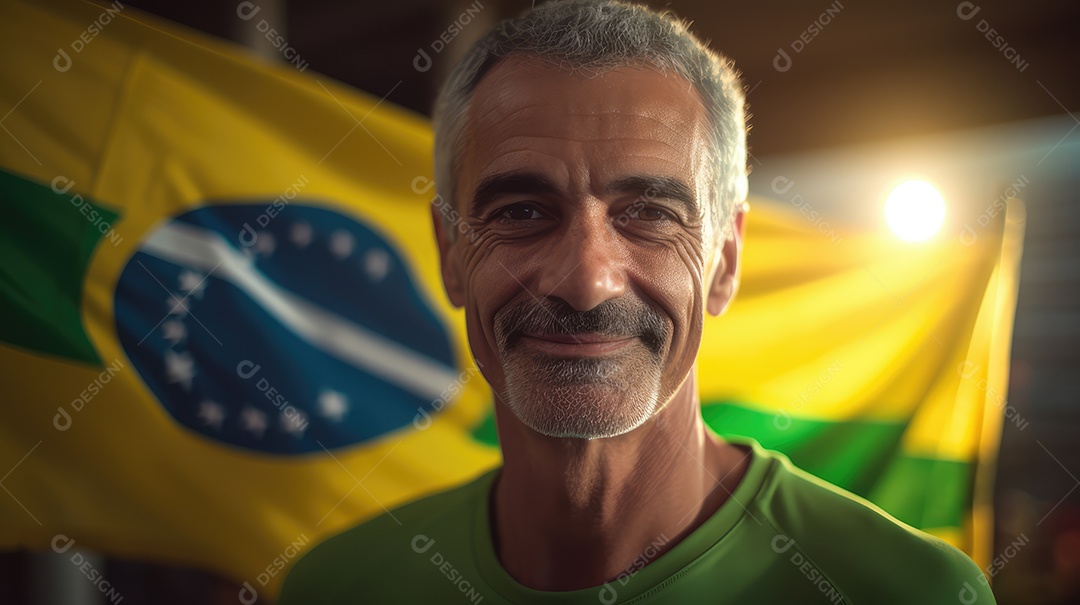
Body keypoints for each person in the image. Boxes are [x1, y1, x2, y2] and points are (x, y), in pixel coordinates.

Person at [280, 1, 997, 602]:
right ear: (450, 254)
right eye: (523, 212)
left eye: (650, 213)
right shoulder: (336, 587)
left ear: (725, 259)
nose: (587, 281)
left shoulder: (913, 592)